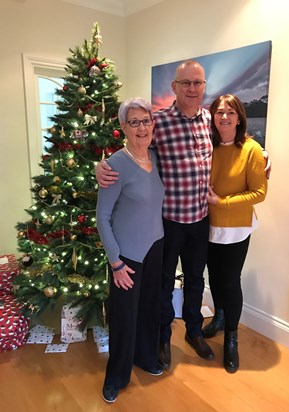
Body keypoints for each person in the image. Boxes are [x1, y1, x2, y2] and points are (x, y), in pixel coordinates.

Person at [96, 60, 271, 371]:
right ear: (173, 87)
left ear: (204, 87)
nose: (193, 88)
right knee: (164, 282)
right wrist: (100, 167)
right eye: (186, 83)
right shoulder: (158, 122)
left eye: (198, 83)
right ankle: (163, 336)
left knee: (194, 280)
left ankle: (193, 331)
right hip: (168, 222)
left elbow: (239, 142)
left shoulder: (211, 120)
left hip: (201, 220)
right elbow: (133, 149)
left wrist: (265, 157)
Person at [96, 97, 165, 403]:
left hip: (156, 246)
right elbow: (102, 218)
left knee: (149, 308)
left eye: (145, 120)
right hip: (127, 256)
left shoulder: (156, 157)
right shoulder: (113, 166)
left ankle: (146, 358)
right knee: (124, 318)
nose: (141, 127)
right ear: (123, 127)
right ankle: (116, 375)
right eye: (134, 122)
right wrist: (115, 263)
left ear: (153, 124)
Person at [202, 94, 267, 373]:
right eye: (219, 112)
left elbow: (259, 193)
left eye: (230, 112)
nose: (224, 117)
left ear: (239, 117)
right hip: (207, 225)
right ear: (212, 117)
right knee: (213, 277)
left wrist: (222, 202)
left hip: (236, 228)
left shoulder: (252, 149)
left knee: (230, 281)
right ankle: (219, 316)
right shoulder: (208, 146)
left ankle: (231, 337)